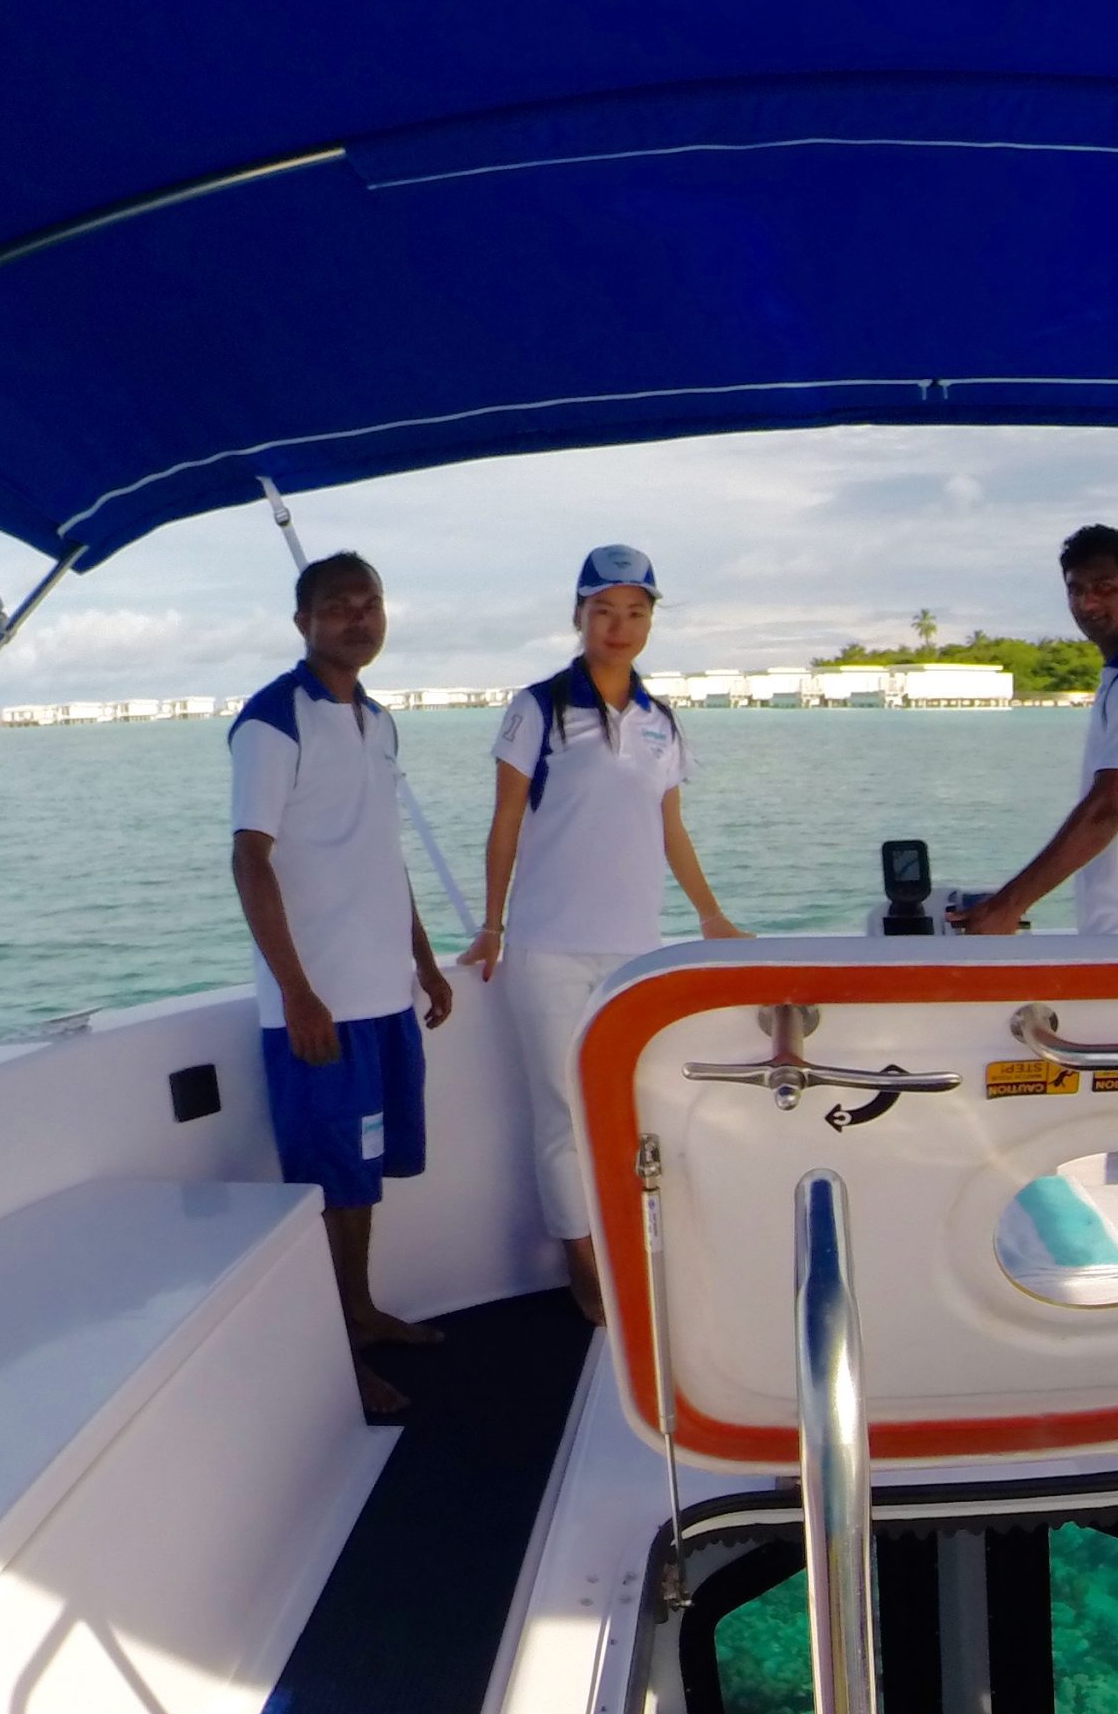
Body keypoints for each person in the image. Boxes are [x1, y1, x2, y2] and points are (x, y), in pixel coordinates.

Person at [461, 544, 746, 1325]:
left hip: (634, 953)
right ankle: (584, 1273)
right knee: (563, 1116)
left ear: (651, 621)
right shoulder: (538, 709)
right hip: (548, 949)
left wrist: (711, 914)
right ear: (579, 616)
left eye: (635, 613)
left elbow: (670, 829)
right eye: (604, 611)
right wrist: (493, 924)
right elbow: (505, 823)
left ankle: (636, 1253)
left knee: (637, 1109)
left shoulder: (661, 722)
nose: (620, 627)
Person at [229, 550, 455, 1419]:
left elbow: (379, 854)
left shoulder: (378, 720)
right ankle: (334, 1360)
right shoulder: (272, 722)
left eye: (370, 603)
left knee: (363, 1180)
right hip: (320, 1008)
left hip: (383, 997)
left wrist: (423, 960)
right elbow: (250, 859)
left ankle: (358, 1312)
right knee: (328, 1186)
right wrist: (296, 992)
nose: (358, 618)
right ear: (304, 622)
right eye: (338, 606)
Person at [951, 525, 1118, 935]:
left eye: (1104, 588)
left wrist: (1009, 905)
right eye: (1076, 590)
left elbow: (1107, 808)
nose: (1087, 603)